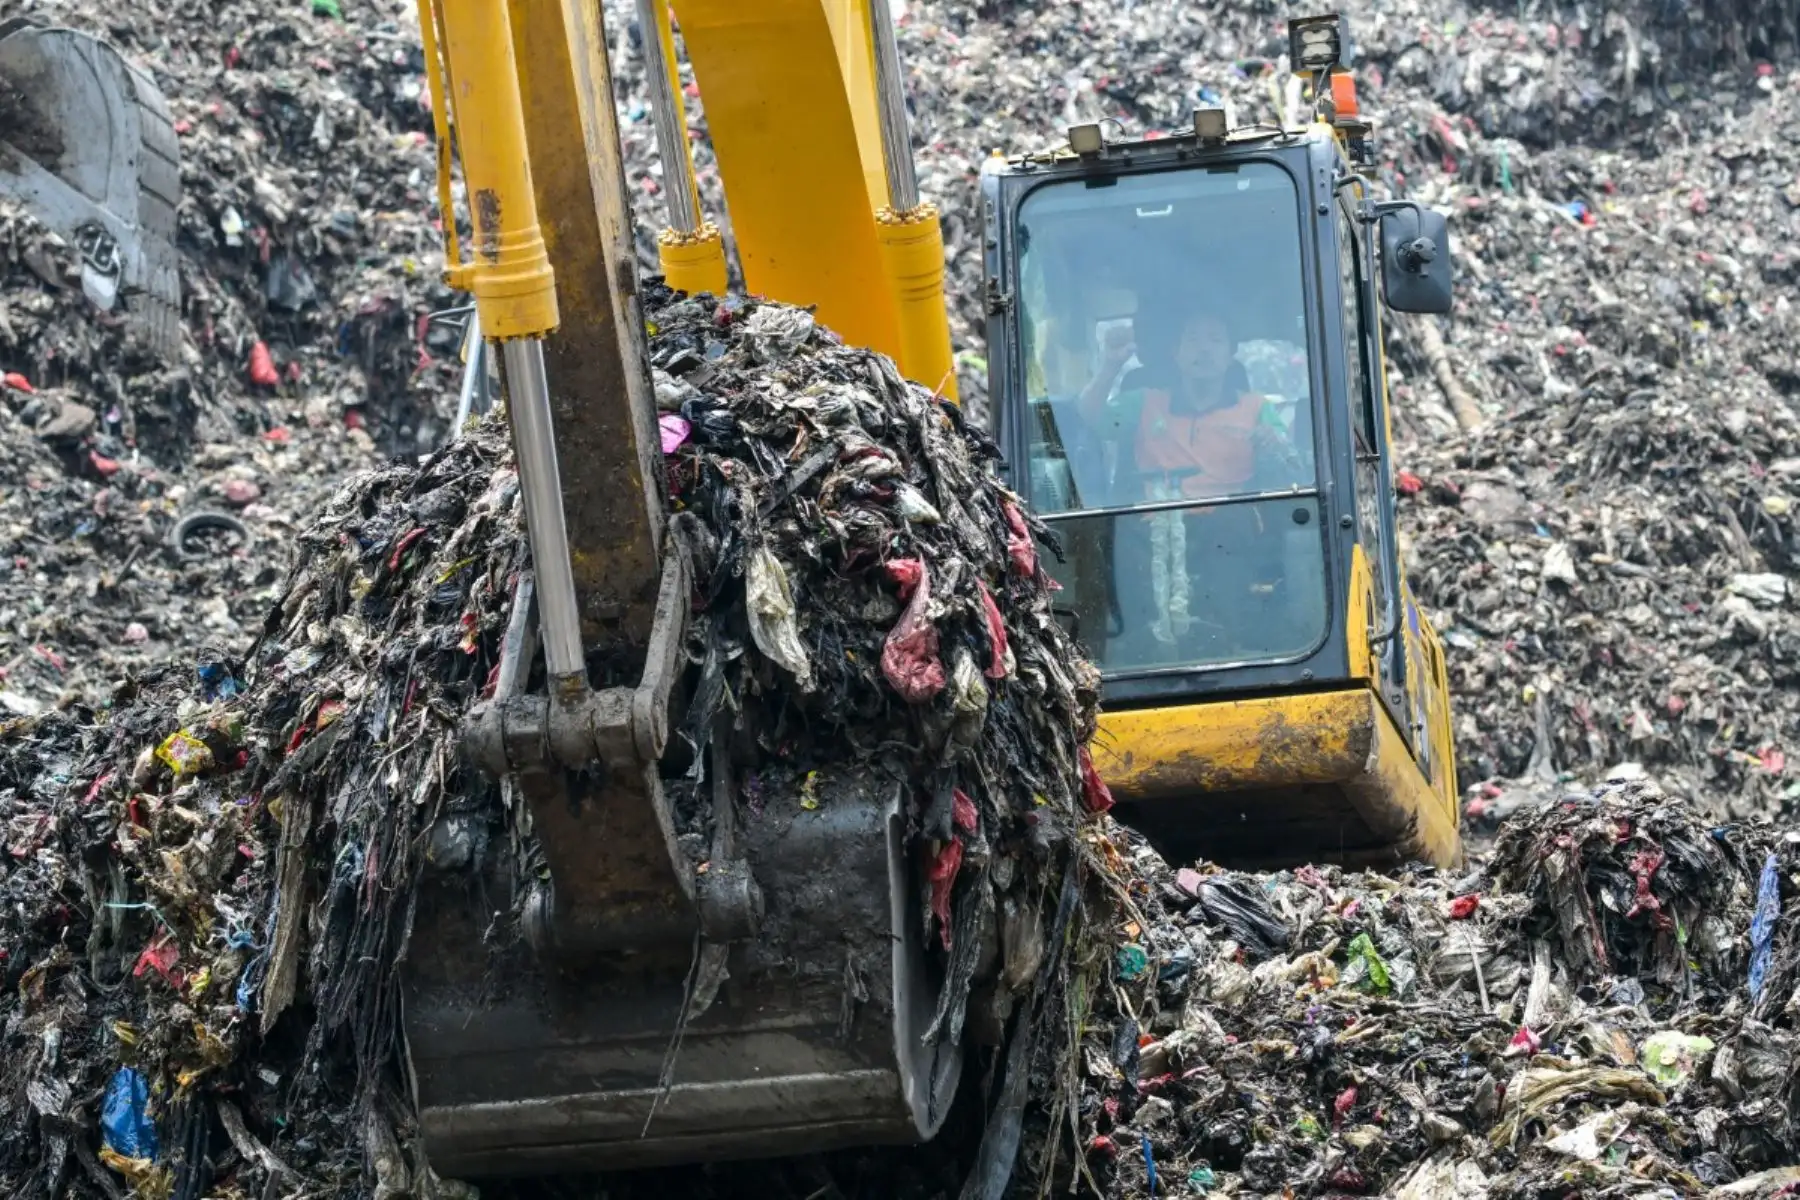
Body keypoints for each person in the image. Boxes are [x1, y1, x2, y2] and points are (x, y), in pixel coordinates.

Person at [1124, 302, 1277, 648]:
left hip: (1226, 526)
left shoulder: (1257, 408)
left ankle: (1230, 641)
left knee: (1229, 543)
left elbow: (1291, 457)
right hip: (1154, 525)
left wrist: (1273, 440)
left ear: (1230, 354)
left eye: (1214, 340)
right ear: (1175, 353)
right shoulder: (1144, 403)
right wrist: (1108, 365)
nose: (1203, 349)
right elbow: (1086, 419)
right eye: (1192, 340)